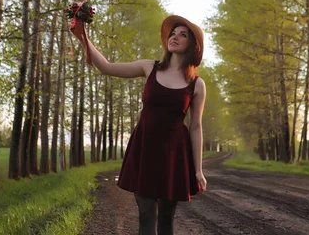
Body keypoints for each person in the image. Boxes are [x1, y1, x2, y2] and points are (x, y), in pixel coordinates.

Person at [71, 14, 207, 235]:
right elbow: (106, 67)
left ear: (193, 44)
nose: (175, 36)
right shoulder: (149, 67)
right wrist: (82, 37)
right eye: (173, 33)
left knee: (165, 219)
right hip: (145, 148)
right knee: (145, 216)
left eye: (183, 35)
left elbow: (196, 127)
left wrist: (198, 170)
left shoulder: (197, 84)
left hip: (173, 154)